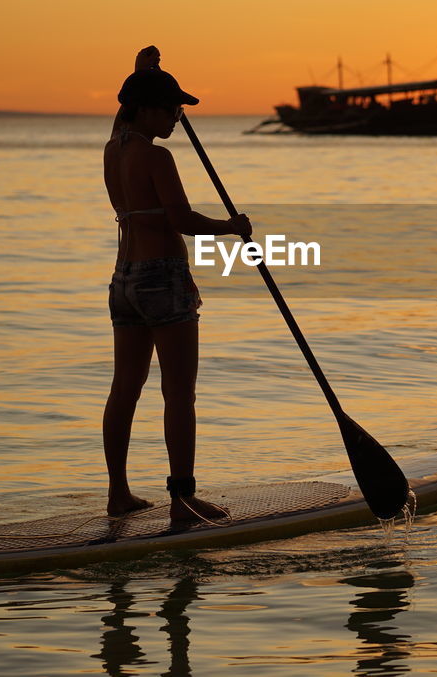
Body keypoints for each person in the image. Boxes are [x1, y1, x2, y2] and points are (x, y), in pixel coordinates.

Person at [103, 46, 250, 521]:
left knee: (124, 389)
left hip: (124, 280)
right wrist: (233, 227)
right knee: (179, 392)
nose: (176, 116)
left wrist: (143, 71)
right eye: (170, 107)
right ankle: (183, 500)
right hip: (163, 278)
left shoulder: (113, 149)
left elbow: (123, 116)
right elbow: (184, 220)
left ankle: (118, 494)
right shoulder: (157, 157)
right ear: (144, 108)